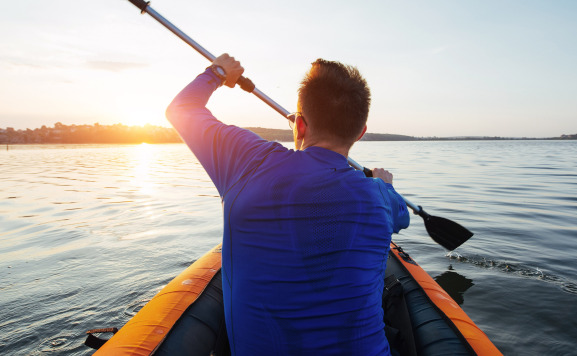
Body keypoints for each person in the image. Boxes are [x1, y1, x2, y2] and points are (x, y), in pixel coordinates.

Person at [166, 54, 410, 355]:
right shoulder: (381, 196)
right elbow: (402, 218)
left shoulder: (248, 160)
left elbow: (181, 109)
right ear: (360, 132)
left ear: (300, 125)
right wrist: (385, 183)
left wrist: (218, 72)